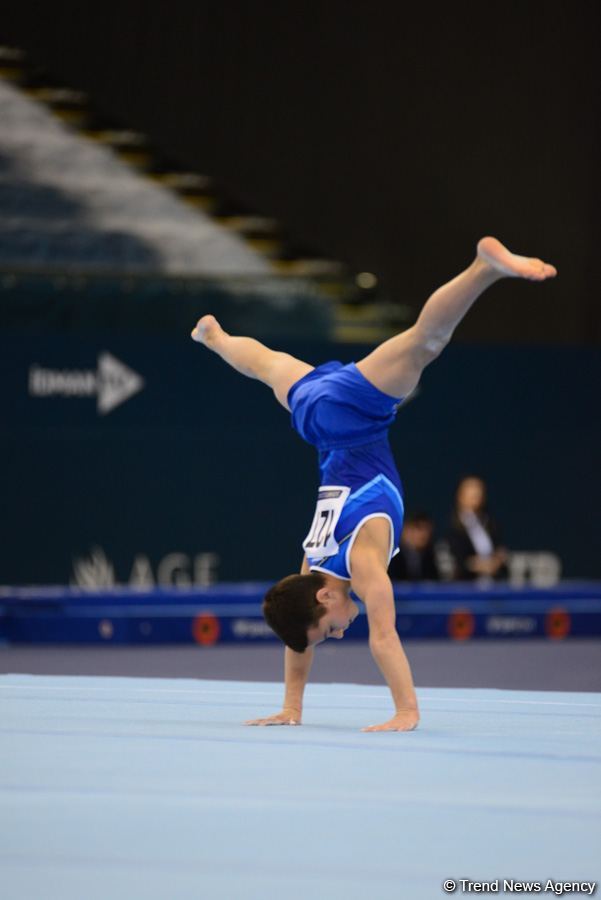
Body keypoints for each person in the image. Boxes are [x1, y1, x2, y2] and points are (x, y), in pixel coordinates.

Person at [191, 236, 556, 732]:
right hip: (317, 424)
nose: (339, 634)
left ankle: (483, 267)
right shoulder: (310, 565)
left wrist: (406, 712)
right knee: (267, 365)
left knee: (426, 341)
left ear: (324, 598)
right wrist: (292, 708)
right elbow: (298, 639)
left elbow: (382, 638)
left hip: (352, 418)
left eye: (331, 630)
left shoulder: (360, 564)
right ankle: (215, 338)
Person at [447, 475, 508, 581]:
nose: (476, 494)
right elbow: (459, 560)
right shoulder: (454, 526)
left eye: (479, 490)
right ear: (460, 495)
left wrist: (497, 561)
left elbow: (500, 551)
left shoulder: (490, 523)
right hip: (466, 588)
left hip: (493, 586)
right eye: (471, 491)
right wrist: (483, 566)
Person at [388, 511, 442, 581]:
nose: (423, 534)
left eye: (426, 529)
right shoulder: (393, 556)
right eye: (418, 528)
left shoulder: (431, 556)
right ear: (406, 529)